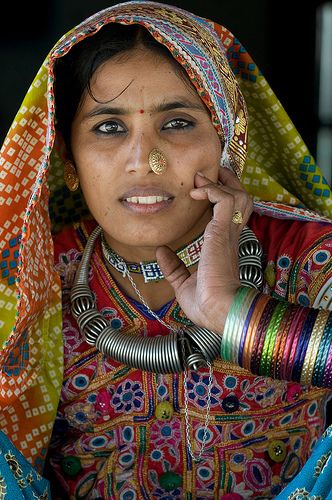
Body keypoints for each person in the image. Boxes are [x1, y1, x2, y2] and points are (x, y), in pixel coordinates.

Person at [0, 1, 331, 498]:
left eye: (176, 123)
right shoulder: (30, 277)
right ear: (68, 158)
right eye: (109, 127)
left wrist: (236, 316)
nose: (144, 161)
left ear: (228, 139)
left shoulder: (308, 256)